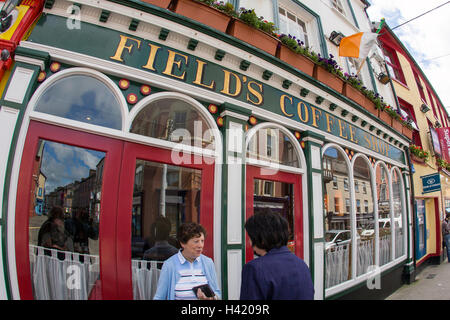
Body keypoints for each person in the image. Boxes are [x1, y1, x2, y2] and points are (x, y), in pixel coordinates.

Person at [240, 211, 314, 300]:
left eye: (250, 237)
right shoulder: (301, 264)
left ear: (261, 238)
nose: (249, 242)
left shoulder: (254, 268)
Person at [153, 222, 221, 300]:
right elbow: (159, 297)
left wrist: (210, 298)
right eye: (196, 241)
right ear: (183, 243)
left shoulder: (208, 263)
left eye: (202, 241)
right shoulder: (169, 265)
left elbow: (217, 294)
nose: (200, 245)